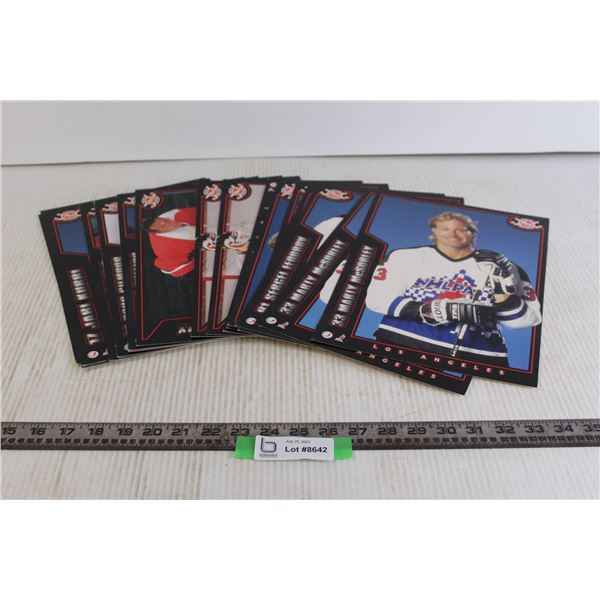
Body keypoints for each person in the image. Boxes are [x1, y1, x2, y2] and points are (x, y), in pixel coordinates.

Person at [364, 212, 542, 366]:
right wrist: (428, 310)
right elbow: (376, 298)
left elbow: (523, 321)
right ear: (434, 231)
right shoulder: (406, 256)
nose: (452, 234)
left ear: (472, 232)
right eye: (445, 229)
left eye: (460, 229)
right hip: (404, 343)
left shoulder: (506, 267)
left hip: (480, 355)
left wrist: (503, 284)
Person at [141, 207, 196, 278]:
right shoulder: (164, 249)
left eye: (164, 220)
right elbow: (168, 267)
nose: (168, 223)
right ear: (159, 232)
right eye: (162, 226)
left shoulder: (177, 214)